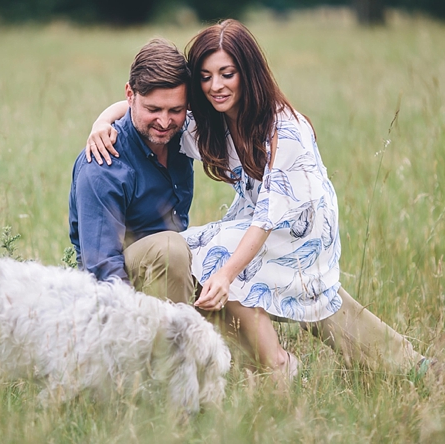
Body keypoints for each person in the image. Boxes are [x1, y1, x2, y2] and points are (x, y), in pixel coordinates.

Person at [86, 20, 428, 382]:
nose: (215, 86)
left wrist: (227, 274)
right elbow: (147, 105)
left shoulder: (287, 128)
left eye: (226, 73)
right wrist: (102, 121)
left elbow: (269, 217)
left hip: (302, 228)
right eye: (205, 76)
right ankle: (416, 368)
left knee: (215, 263)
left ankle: (273, 365)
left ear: (247, 73)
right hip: (256, 223)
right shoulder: (213, 123)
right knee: (320, 300)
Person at [68, 39, 196, 304]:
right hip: (120, 293)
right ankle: (173, 341)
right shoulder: (103, 164)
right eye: (153, 109)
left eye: (176, 110)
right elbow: (102, 269)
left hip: (176, 274)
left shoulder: (183, 137)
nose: (164, 122)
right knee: (171, 249)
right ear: (130, 95)